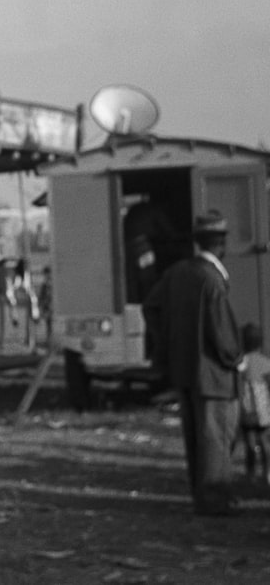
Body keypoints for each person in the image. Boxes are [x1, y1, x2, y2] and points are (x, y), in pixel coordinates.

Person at [143, 210, 247, 516]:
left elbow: (151, 307)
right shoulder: (212, 281)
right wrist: (237, 360)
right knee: (216, 438)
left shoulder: (177, 273)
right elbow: (222, 333)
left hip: (185, 371)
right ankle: (215, 501)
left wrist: (169, 343)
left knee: (195, 439)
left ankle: (201, 497)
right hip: (214, 374)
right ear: (221, 245)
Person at [238, 323, 270, 485]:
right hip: (263, 411)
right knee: (264, 442)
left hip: (247, 410)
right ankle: (267, 472)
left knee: (250, 444)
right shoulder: (265, 362)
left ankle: (251, 474)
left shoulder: (242, 363)